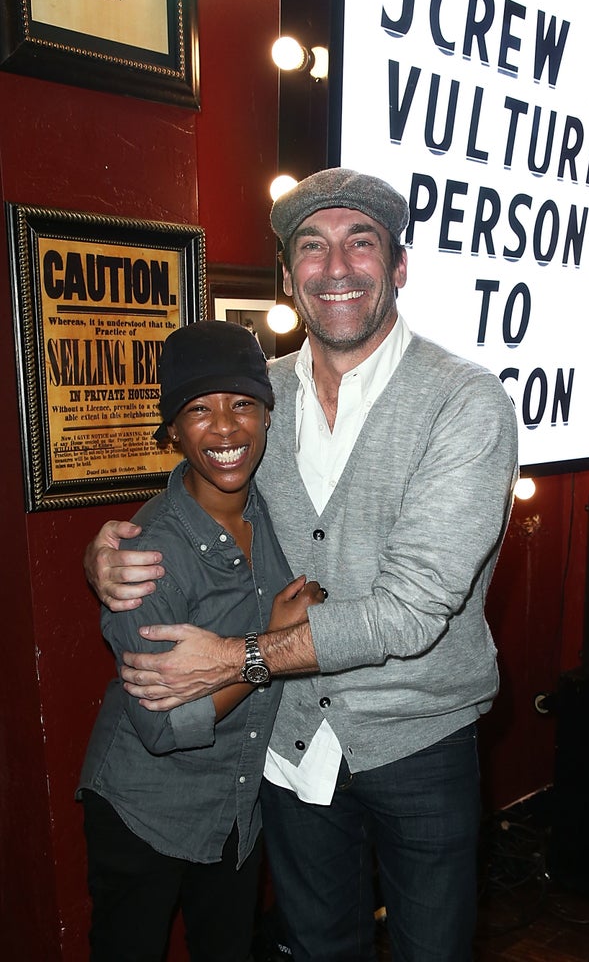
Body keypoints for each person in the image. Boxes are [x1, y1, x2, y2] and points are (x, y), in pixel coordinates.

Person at [84, 168, 519, 962]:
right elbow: (193, 489)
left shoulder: (465, 400)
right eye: (312, 247)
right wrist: (105, 552)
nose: (337, 266)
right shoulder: (260, 395)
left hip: (417, 741)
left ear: (398, 265)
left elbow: (412, 610)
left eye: (362, 242)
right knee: (316, 949)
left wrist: (236, 656)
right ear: (288, 276)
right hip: (288, 748)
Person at [77, 320, 324, 962]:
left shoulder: (271, 508)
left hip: (236, 810)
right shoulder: (147, 556)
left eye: (242, 404)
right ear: (173, 432)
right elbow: (167, 726)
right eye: (199, 409)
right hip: (145, 813)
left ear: (268, 416)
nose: (224, 428)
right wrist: (267, 647)